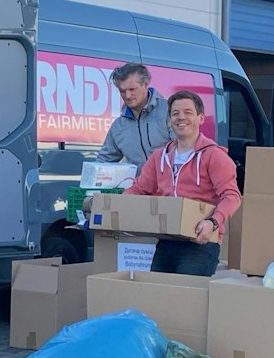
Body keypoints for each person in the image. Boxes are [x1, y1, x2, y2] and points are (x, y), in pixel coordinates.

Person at [123, 89, 241, 276]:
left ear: (201, 118)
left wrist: (213, 222)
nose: (181, 118)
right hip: (167, 240)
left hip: (200, 242)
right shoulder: (159, 157)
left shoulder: (214, 155)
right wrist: (118, 205)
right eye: (175, 113)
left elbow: (232, 197)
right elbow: (139, 189)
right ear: (169, 120)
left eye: (188, 112)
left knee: (185, 300)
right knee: (157, 294)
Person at [96, 62, 170, 165]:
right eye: (122, 91)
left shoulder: (169, 111)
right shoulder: (118, 127)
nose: (127, 96)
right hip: (139, 181)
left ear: (145, 83)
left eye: (132, 89)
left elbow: (184, 150)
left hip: (170, 180)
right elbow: (103, 162)